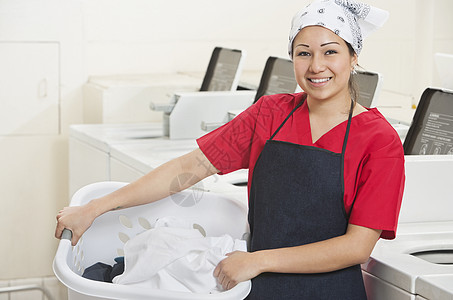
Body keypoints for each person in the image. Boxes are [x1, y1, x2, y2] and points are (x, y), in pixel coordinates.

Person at [55, 0, 405, 298]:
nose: (316, 66)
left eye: (331, 51)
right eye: (304, 53)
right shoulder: (270, 114)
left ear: (354, 56)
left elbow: (356, 247)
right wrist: (96, 208)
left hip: (326, 292)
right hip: (256, 288)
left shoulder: (379, 141)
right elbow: (187, 169)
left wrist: (259, 260)